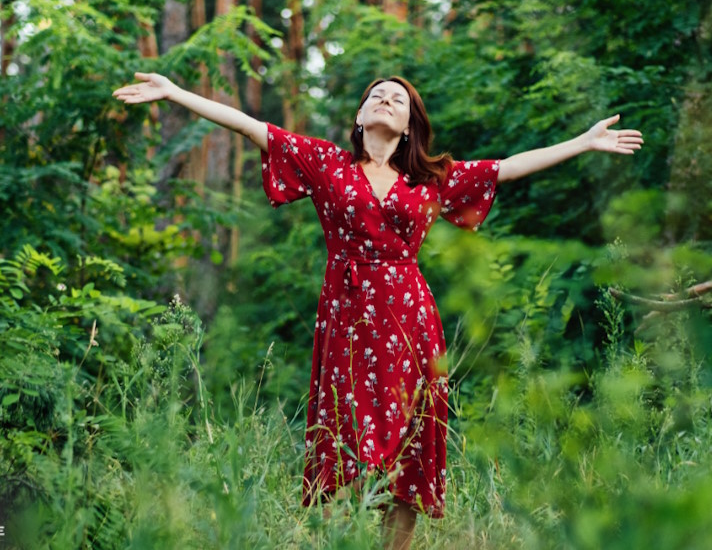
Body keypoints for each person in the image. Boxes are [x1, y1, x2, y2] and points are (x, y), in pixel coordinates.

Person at [113, 72, 642, 550]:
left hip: (409, 317)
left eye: (398, 100)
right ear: (360, 117)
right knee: (344, 437)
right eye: (376, 96)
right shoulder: (326, 164)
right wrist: (175, 92)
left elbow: (506, 169)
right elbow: (252, 126)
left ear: (410, 126)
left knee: (409, 443)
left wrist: (584, 142)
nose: (386, 101)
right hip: (345, 317)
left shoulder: (429, 180)